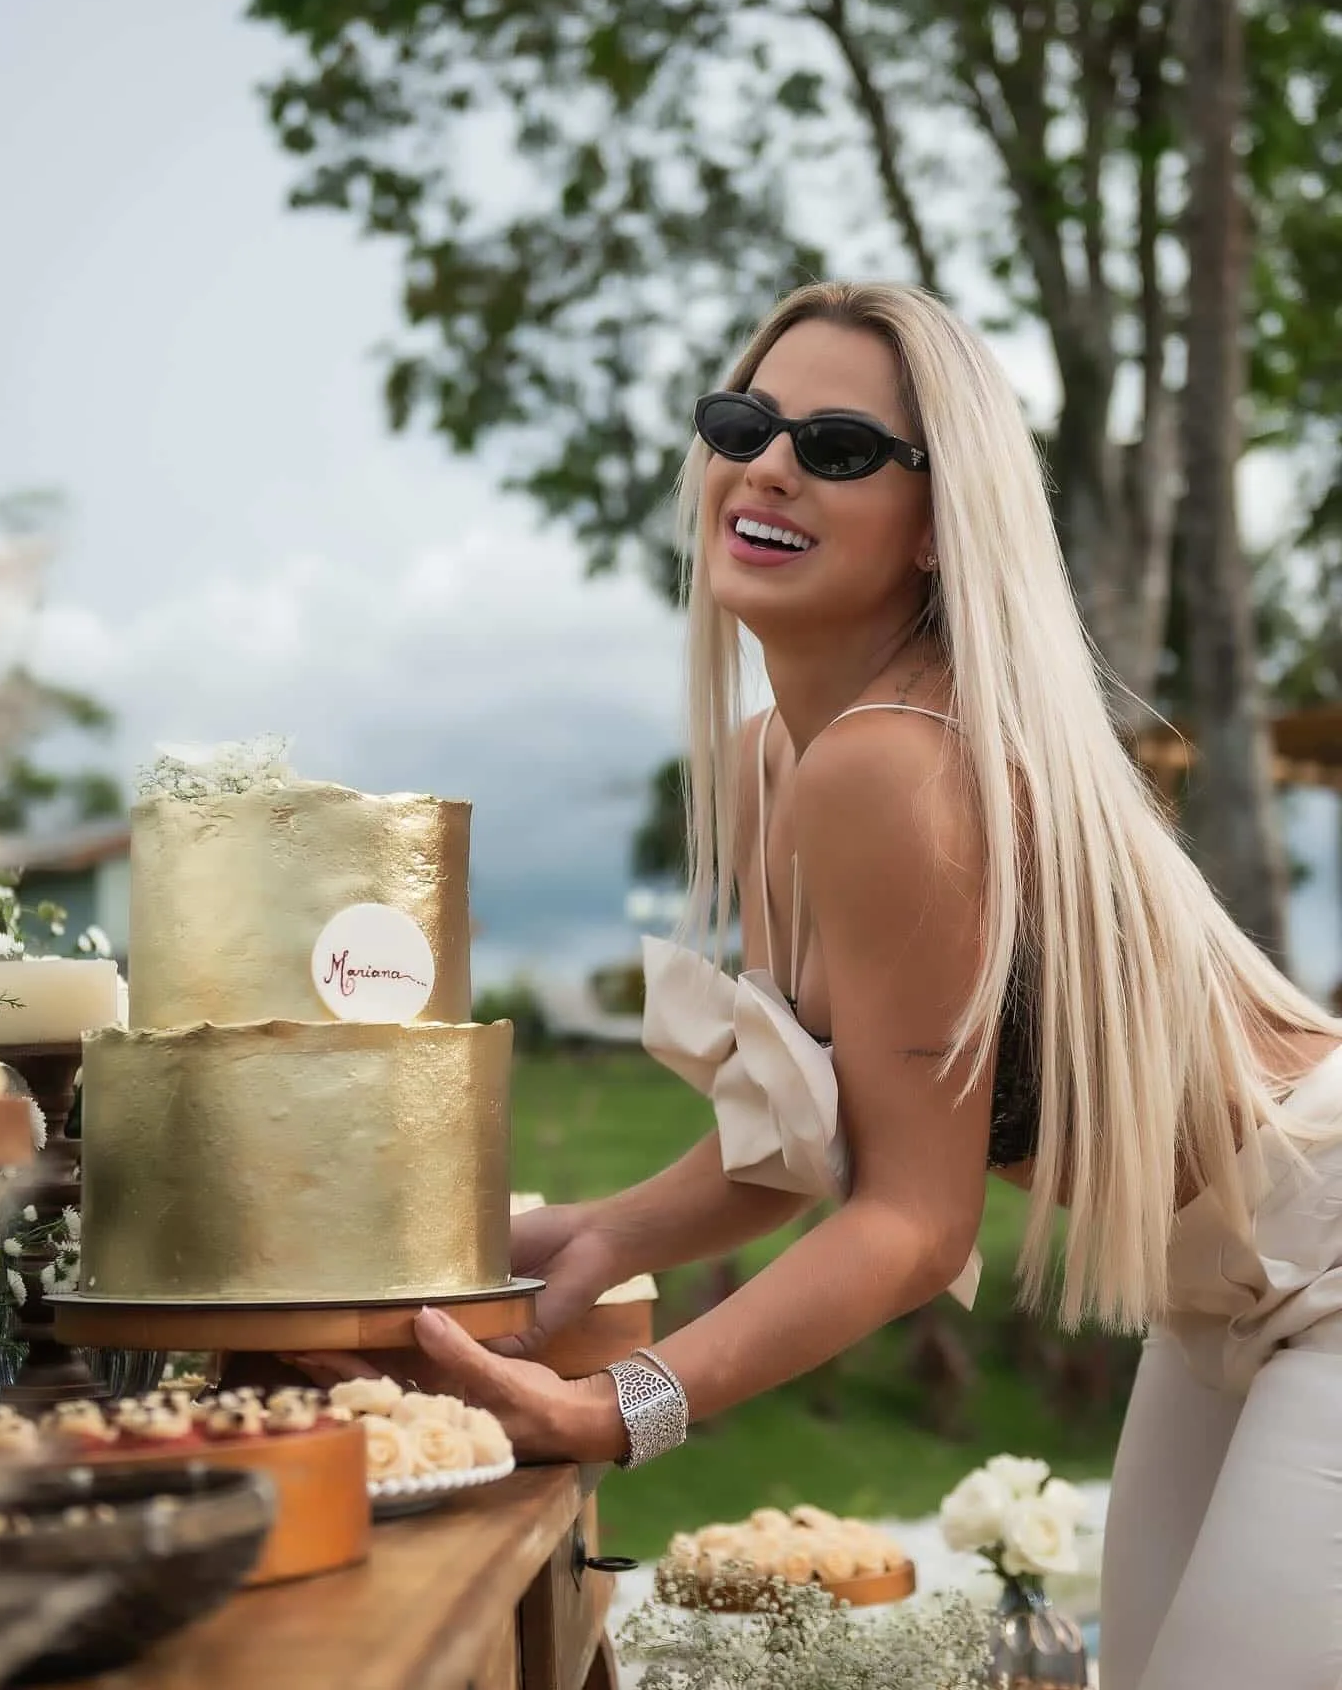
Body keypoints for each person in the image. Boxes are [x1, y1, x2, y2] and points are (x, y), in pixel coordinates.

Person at [303, 284, 1342, 1689]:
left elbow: (914, 1221)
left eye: (841, 447)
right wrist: (600, 1231)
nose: (771, 463)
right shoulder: (773, 760)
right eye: (745, 423)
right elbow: (814, 1126)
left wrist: (621, 1409)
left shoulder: (895, 767)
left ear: (936, 524)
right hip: (1217, 1297)